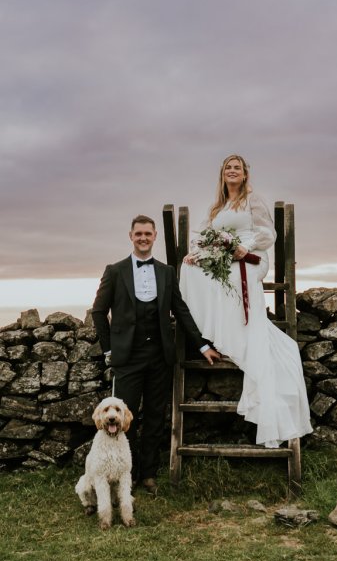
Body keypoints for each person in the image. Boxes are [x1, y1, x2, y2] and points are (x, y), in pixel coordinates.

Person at [180, 155, 313, 448]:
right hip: (223, 257)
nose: (232, 171)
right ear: (222, 174)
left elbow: (268, 232)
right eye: (228, 167)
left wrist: (245, 246)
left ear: (244, 174)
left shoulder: (252, 200)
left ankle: (237, 333)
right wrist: (197, 252)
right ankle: (217, 330)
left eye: (237, 168)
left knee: (226, 274)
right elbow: (202, 234)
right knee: (188, 268)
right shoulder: (216, 206)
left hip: (250, 258)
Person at [92, 214, 219, 494]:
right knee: (122, 419)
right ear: (131, 236)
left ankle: (148, 475)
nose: (143, 238)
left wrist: (202, 345)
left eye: (148, 234)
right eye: (138, 234)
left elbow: (181, 310)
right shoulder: (115, 270)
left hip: (160, 357)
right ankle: (127, 476)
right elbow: (99, 311)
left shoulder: (166, 272)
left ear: (155, 237)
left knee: (153, 418)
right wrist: (109, 349)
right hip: (127, 359)